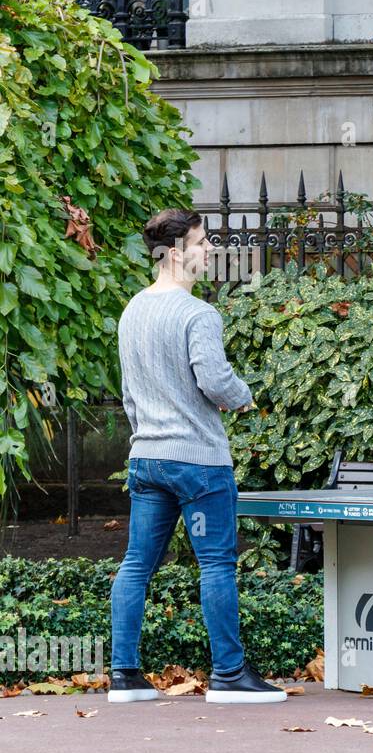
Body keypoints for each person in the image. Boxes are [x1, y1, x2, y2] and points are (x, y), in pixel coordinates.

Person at [109, 209, 286, 704]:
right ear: (176, 252)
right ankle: (229, 675)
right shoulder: (198, 314)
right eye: (202, 242)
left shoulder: (132, 311)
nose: (210, 250)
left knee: (136, 564)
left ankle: (124, 675)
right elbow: (213, 380)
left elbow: (128, 393)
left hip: (146, 458)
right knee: (216, 566)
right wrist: (242, 395)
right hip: (198, 463)